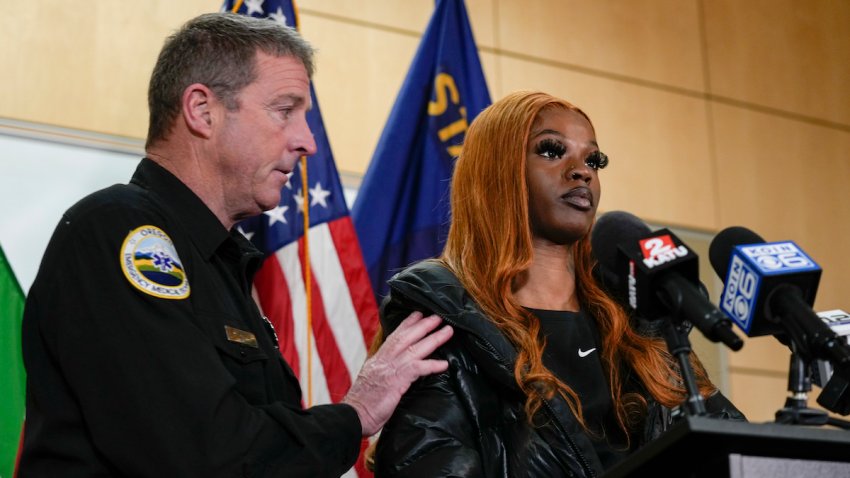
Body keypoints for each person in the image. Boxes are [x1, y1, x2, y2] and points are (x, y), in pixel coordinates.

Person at [19, 12, 452, 477]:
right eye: (285, 110)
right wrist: (356, 415)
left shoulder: (218, 261)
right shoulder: (121, 231)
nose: (308, 142)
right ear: (202, 111)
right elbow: (206, 454)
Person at [370, 91, 744, 477]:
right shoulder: (443, 318)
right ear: (496, 171)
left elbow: (737, 448)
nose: (582, 171)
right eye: (551, 150)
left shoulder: (636, 314)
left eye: (593, 160)